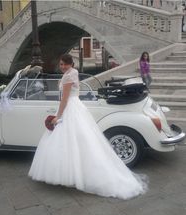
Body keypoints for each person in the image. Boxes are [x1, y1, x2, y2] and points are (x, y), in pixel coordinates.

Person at [28, 54, 148, 200]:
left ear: (71, 64)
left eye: (65, 64)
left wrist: (57, 117)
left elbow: (64, 99)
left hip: (70, 108)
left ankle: (71, 174)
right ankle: (77, 173)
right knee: (82, 139)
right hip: (77, 106)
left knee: (68, 140)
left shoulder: (67, 77)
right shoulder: (74, 72)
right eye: (61, 64)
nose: (62, 67)